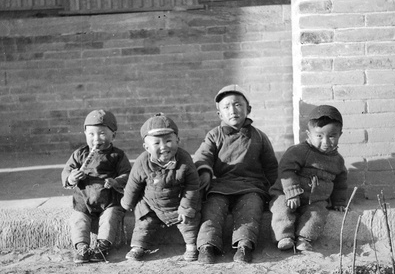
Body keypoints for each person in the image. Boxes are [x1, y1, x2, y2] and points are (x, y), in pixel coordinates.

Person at [193, 85, 278, 264]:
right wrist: (205, 172)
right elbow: (203, 156)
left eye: (238, 105)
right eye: (226, 107)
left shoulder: (260, 137)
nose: (232, 110)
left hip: (251, 185)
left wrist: (274, 190)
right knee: (213, 207)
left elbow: (271, 167)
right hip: (222, 185)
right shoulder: (214, 135)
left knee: (251, 207)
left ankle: (244, 245)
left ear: (248, 109)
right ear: (220, 114)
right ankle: (207, 245)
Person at [121, 113, 201, 262]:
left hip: (177, 203)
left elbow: (192, 185)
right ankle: (139, 246)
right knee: (144, 220)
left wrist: (186, 206)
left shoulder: (184, 160)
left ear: (178, 140)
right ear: (146, 147)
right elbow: (133, 183)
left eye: (169, 141)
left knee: (189, 221)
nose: (164, 147)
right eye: (156, 143)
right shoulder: (142, 161)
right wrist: (127, 203)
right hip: (151, 203)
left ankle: (191, 245)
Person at [269, 105, 348, 252]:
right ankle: (284, 236)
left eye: (332, 136)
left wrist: (339, 201)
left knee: (317, 214)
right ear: (308, 134)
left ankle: (304, 238)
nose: (326, 142)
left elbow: (340, 183)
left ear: (340, 135)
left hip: (315, 200)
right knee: (281, 208)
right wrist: (291, 191)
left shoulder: (337, 161)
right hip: (287, 194)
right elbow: (286, 169)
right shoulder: (299, 151)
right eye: (319, 136)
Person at [61, 109, 132, 264]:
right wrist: (72, 177)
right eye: (91, 134)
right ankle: (81, 247)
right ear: (85, 133)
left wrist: (116, 181)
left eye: (102, 134)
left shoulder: (117, 155)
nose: (96, 139)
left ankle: (102, 246)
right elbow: (66, 171)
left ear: (113, 135)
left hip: (109, 200)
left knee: (111, 217)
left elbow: (127, 174)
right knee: (79, 219)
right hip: (84, 199)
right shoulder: (79, 154)